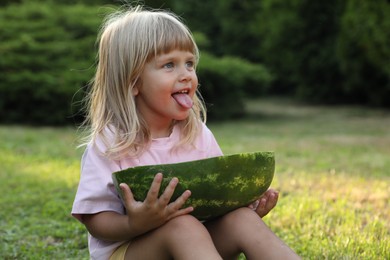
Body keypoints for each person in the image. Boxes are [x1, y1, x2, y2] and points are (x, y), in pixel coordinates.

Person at [71, 5, 300, 260]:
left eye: (189, 63)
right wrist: (135, 224)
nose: (186, 75)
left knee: (242, 219)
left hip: (194, 247)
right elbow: (95, 218)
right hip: (130, 251)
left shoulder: (197, 134)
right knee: (182, 225)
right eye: (169, 65)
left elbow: (217, 198)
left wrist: (243, 206)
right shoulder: (110, 143)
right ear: (133, 82)